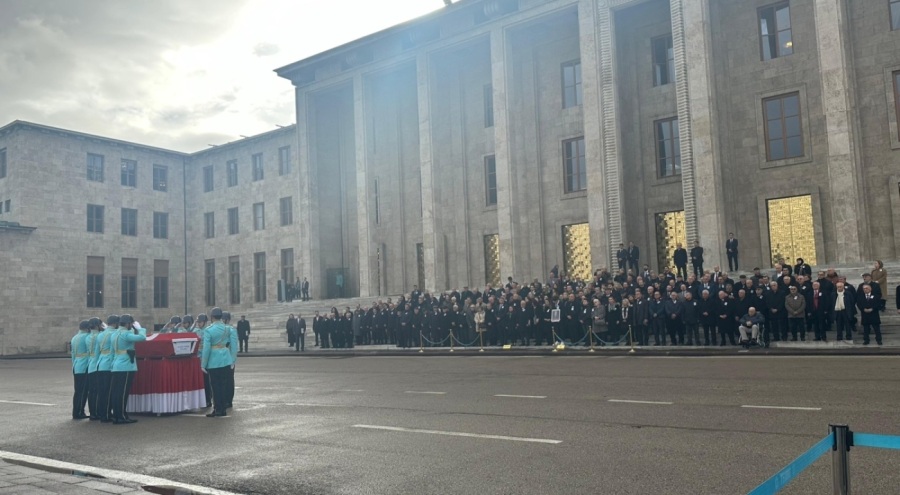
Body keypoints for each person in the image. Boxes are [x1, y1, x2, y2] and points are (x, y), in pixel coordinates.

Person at [109, 314, 146, 424]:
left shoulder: (114, 334)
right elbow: (142, 338)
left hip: (116, 365)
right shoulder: (125, 334)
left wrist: (112, 365)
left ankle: (117, 415)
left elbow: (112, 352)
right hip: (125, 366)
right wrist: (140, 329)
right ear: (128, 323)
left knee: (117, 392)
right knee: (123, 393)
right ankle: (121, 417)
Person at [201, 308, 236, 417]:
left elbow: (206, 349)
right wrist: (233, 360)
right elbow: (234, 346)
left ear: (212, 317)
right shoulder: (228, 329)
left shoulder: (208, 330)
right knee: (224, 384)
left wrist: (203, 364)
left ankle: (218, 409)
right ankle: (224, 408)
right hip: (226, 359)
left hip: (214, 360)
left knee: (215, 386)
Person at [95, 315, 118, 423]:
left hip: (100, 363)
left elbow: (96, 353)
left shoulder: (100, 335)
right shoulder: (114, 334)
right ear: (115, 323)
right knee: (109, 391)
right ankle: (107, 415)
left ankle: (102, 413)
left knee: (102, 391)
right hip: (109, 364)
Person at [71, 320, 91, 420]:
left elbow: (73, 354)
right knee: (83, 391)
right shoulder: (87, 337)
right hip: (84, 365)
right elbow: (89, 352)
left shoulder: (74, 338)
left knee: (78, 391)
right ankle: (79, 412)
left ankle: (76, 411)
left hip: (76, 365)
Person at [222, 311, 238, 409]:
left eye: (224, 319)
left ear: (227, 320)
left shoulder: (231, 330)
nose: (222, 320)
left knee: (229, 380)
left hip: (229, 359)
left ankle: (229, 400)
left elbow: (234, 346)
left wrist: (232, 360)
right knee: (222, 380)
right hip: (221, 359)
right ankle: (224, 399)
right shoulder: (220, 330)